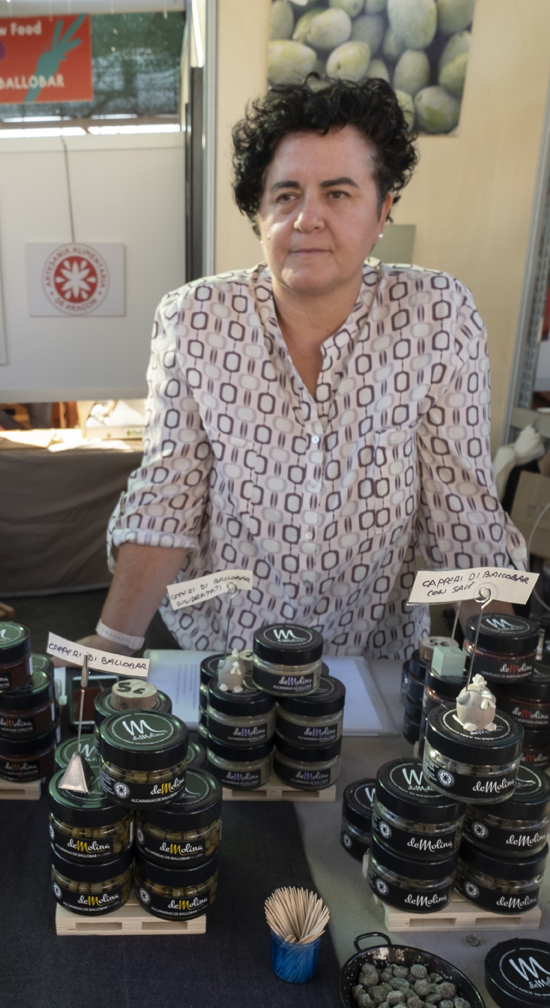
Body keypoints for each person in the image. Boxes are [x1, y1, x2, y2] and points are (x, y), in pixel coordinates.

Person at [82, 78, 527, 659]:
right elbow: (171, 492)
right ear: (258, 211)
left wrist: (497, 658)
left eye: (338, 194)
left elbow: (462, 511)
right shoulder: (197, 319)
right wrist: (113, 644)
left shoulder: (435, 316)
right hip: (224, 647)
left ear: (382, 209)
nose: (307, 218)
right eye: (286, 194)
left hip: (375, 653)